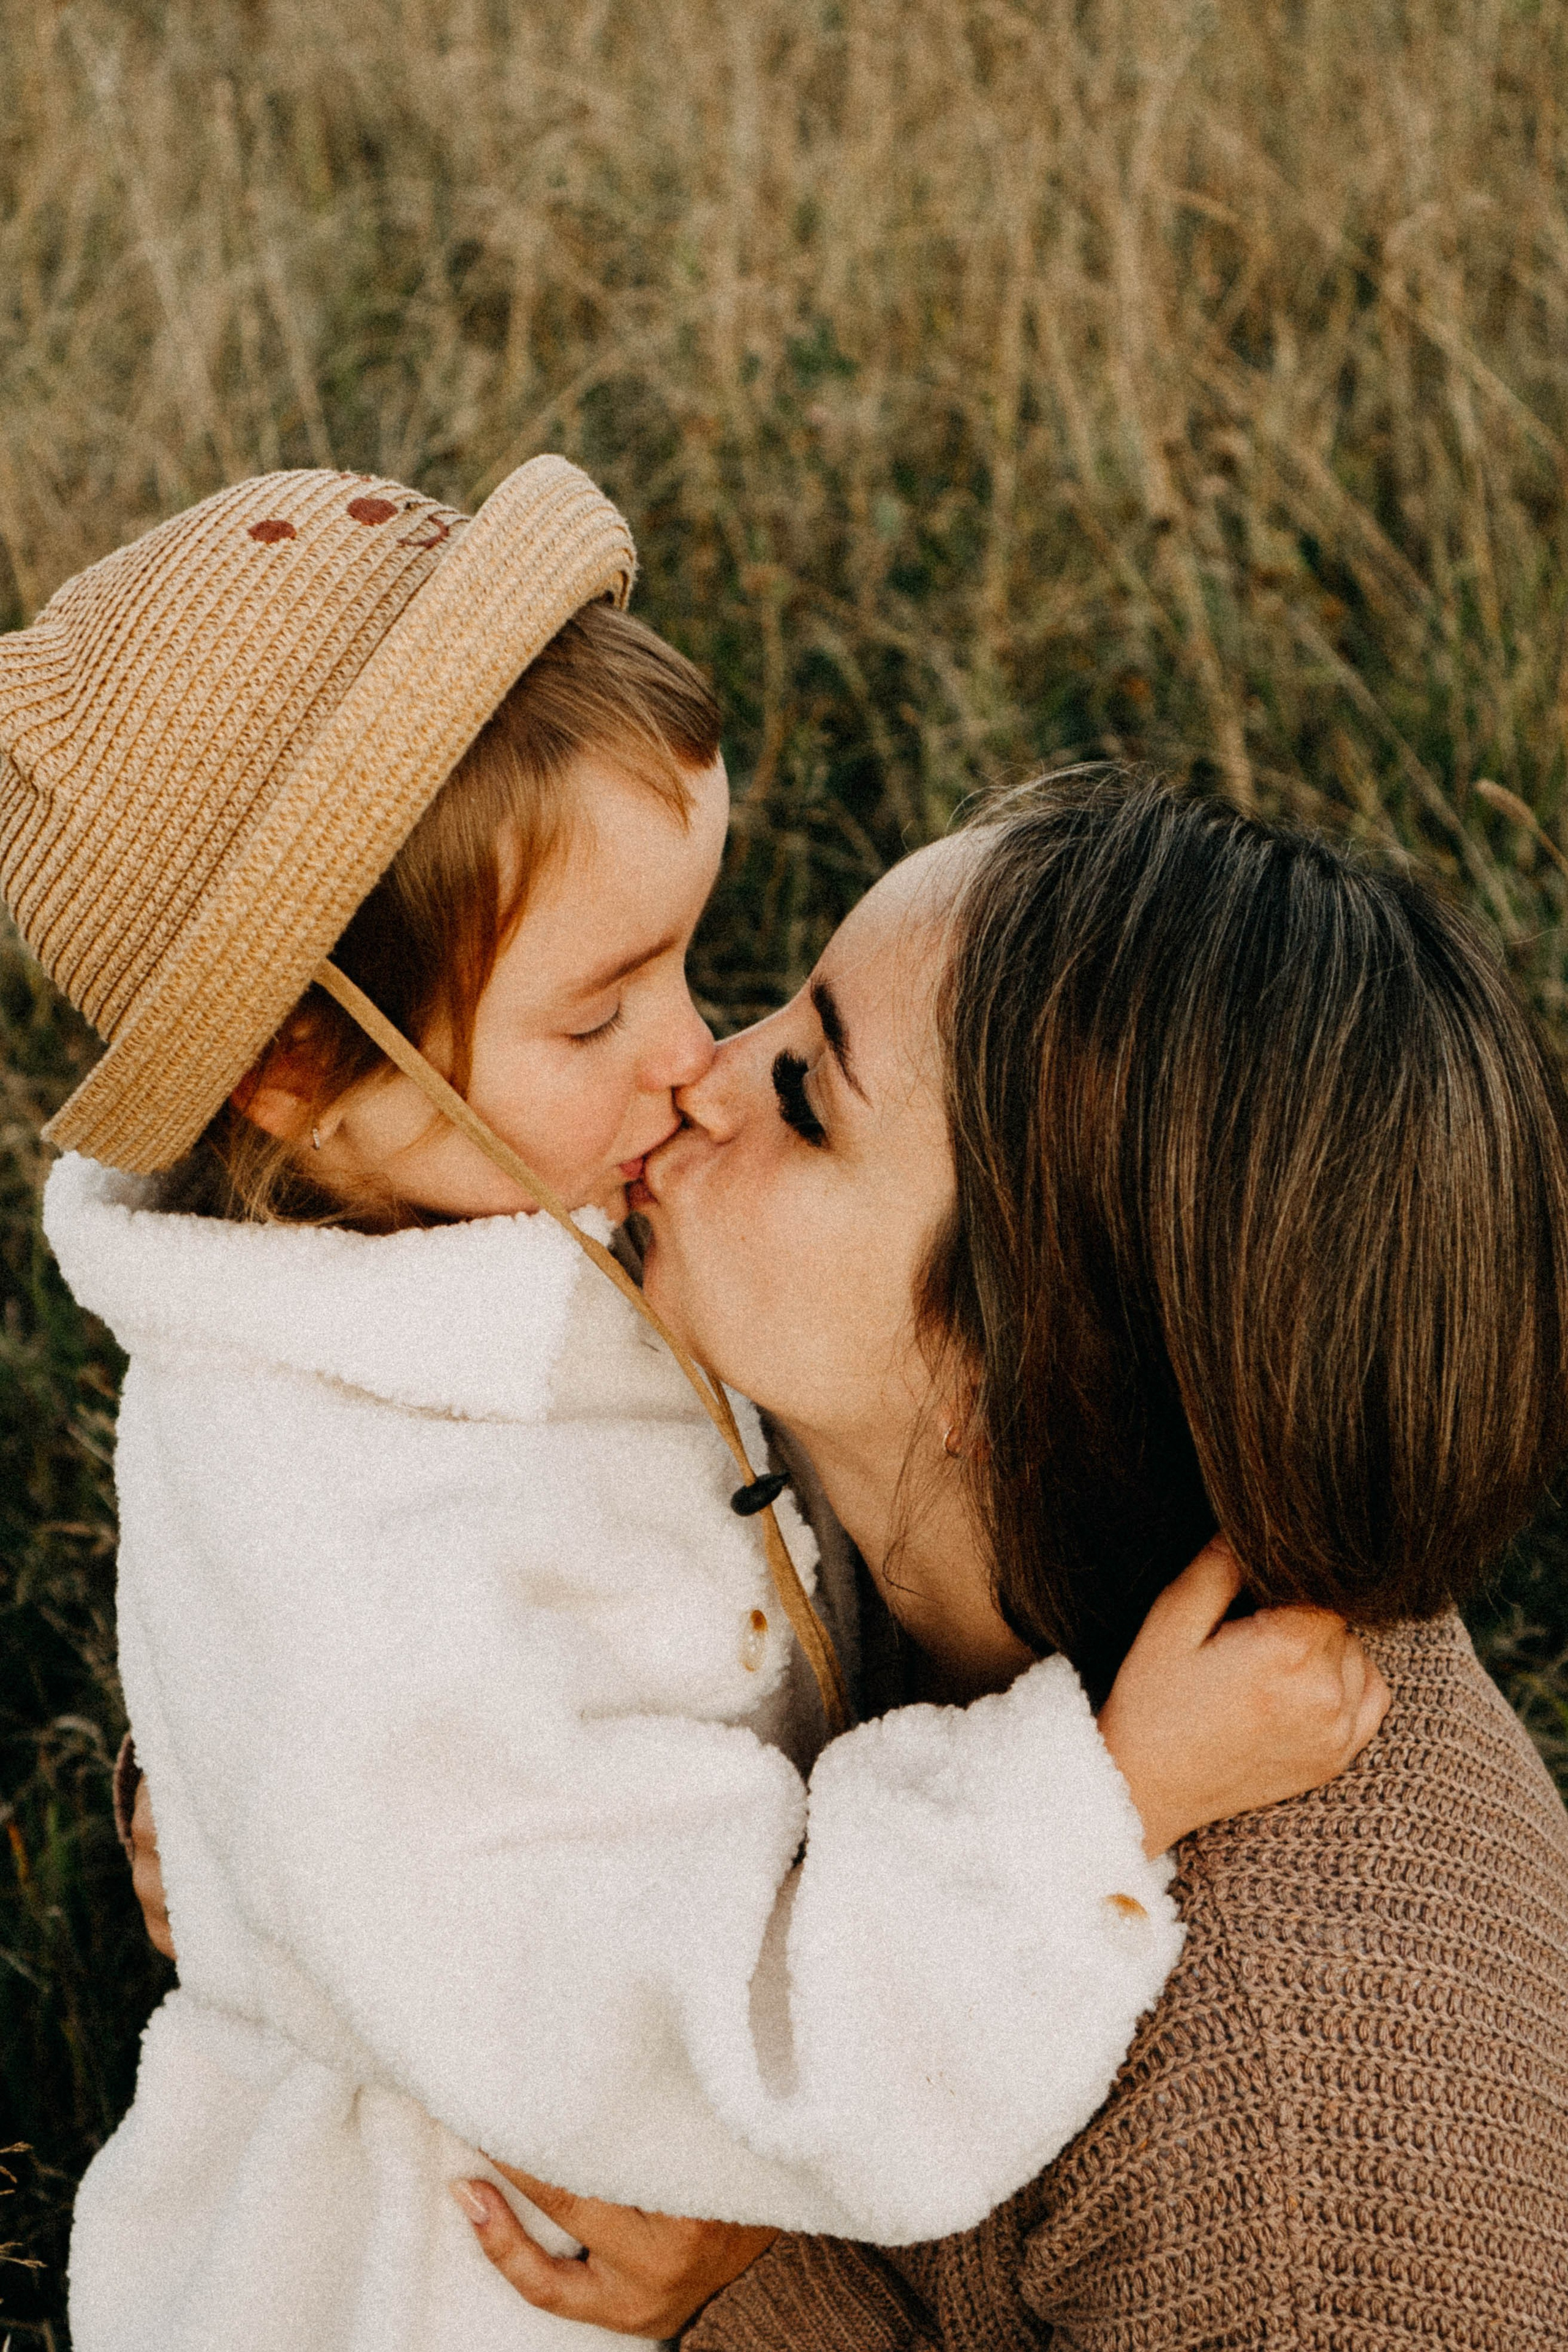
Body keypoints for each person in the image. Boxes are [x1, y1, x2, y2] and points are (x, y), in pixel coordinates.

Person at [4, 469, 1377, 2352]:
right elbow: (738, 2046)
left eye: (689, 956)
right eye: (599, 1010)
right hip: (463, 2290)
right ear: (301, 1065)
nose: (698, 1053)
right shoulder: (362, 1567)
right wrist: (1112, 1791)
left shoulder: (464, 1201)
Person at [445, 779, 1568, 2342]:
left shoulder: (1286, 2151)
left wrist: (747, 2243)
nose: (701, 1070)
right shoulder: (879, 1481)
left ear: (1013, 1371)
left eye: (806, 1092)